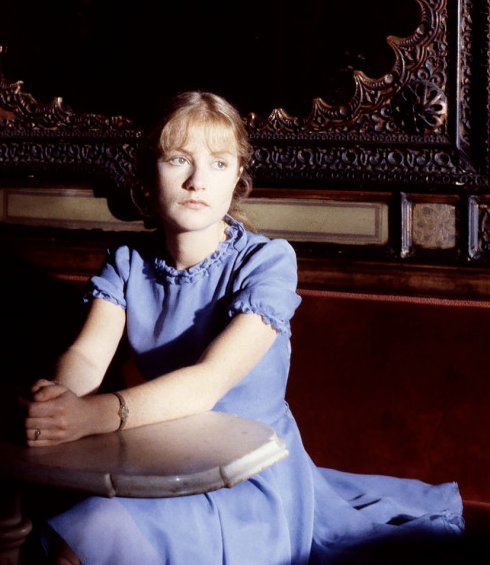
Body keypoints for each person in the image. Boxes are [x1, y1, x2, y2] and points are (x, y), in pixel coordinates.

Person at [23, 90, 464, 564]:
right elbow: (88, 354)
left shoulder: (267, 262)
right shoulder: (129, 264)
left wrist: (90, 416)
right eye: (178, 160)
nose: (197, 181)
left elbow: (210, 380)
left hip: (250, 477)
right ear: (148, 179)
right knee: (60, 528)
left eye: (218, 163)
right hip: (160, 464)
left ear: (237, 177)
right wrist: (60, 402)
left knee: (87, 534)